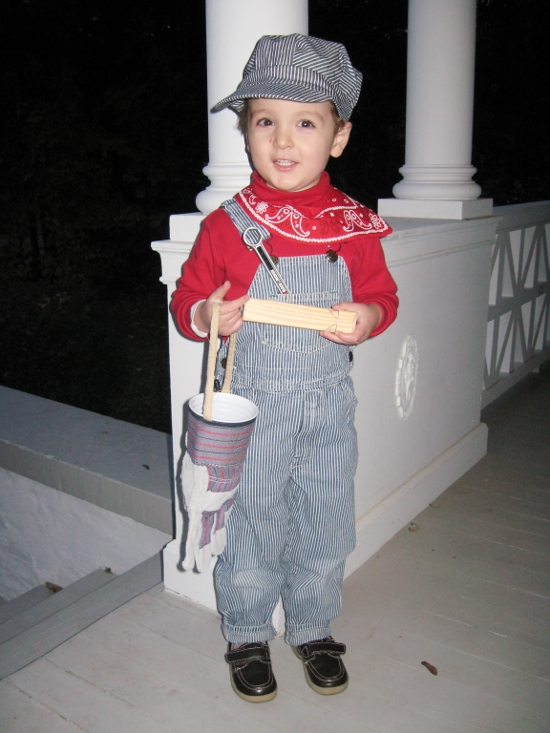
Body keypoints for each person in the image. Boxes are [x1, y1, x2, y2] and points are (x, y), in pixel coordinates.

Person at [171, 33, 398, 703]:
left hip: (330, 403)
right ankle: (245, 629)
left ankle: (313, 623)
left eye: (306, 121)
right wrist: (210, 316)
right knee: (254, 514)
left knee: (325, 513)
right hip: (255, 405)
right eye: (265, 120)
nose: (282, 139)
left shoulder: (354, 225)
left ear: (338, 137)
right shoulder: (228, 226)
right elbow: (188, 301)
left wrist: (368, 315)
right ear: (247, 133)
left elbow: (382, 298)